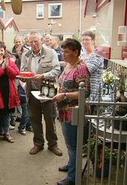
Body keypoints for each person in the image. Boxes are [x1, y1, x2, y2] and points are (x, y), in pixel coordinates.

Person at [53, 38, 90, 185]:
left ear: (76, 52)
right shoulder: (69, 65)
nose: (63, 54)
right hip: (64, 111)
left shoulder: (81, 68)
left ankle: (73, 178)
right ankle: (71, 165)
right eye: (63, 51)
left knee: (74, 145)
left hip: (74, 113)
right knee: (69, 144)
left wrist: (65, 95)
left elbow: (85, 93)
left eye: (66, 52)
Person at [20, 31, 62, 156]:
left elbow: (57, 70)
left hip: (47, 89)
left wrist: (43, 76)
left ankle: (53, 145)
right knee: (35, 119)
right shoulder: (26, 55)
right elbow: (22, 71)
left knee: (50, 118)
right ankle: (38, 144)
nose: (33, 44)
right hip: (32, 90)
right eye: (31, 42)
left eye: (36, 41)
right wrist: (22, 78)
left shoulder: (51, 52)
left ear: (41, 40)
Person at [81, 30, 104, 114]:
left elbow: (87, 70)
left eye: (87, 39)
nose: (84, 42)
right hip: (84, 92)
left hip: (93, 94)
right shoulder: (83, 56)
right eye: (83, 40)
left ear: (93, 41)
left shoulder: (97, 55)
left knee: (91, 119)